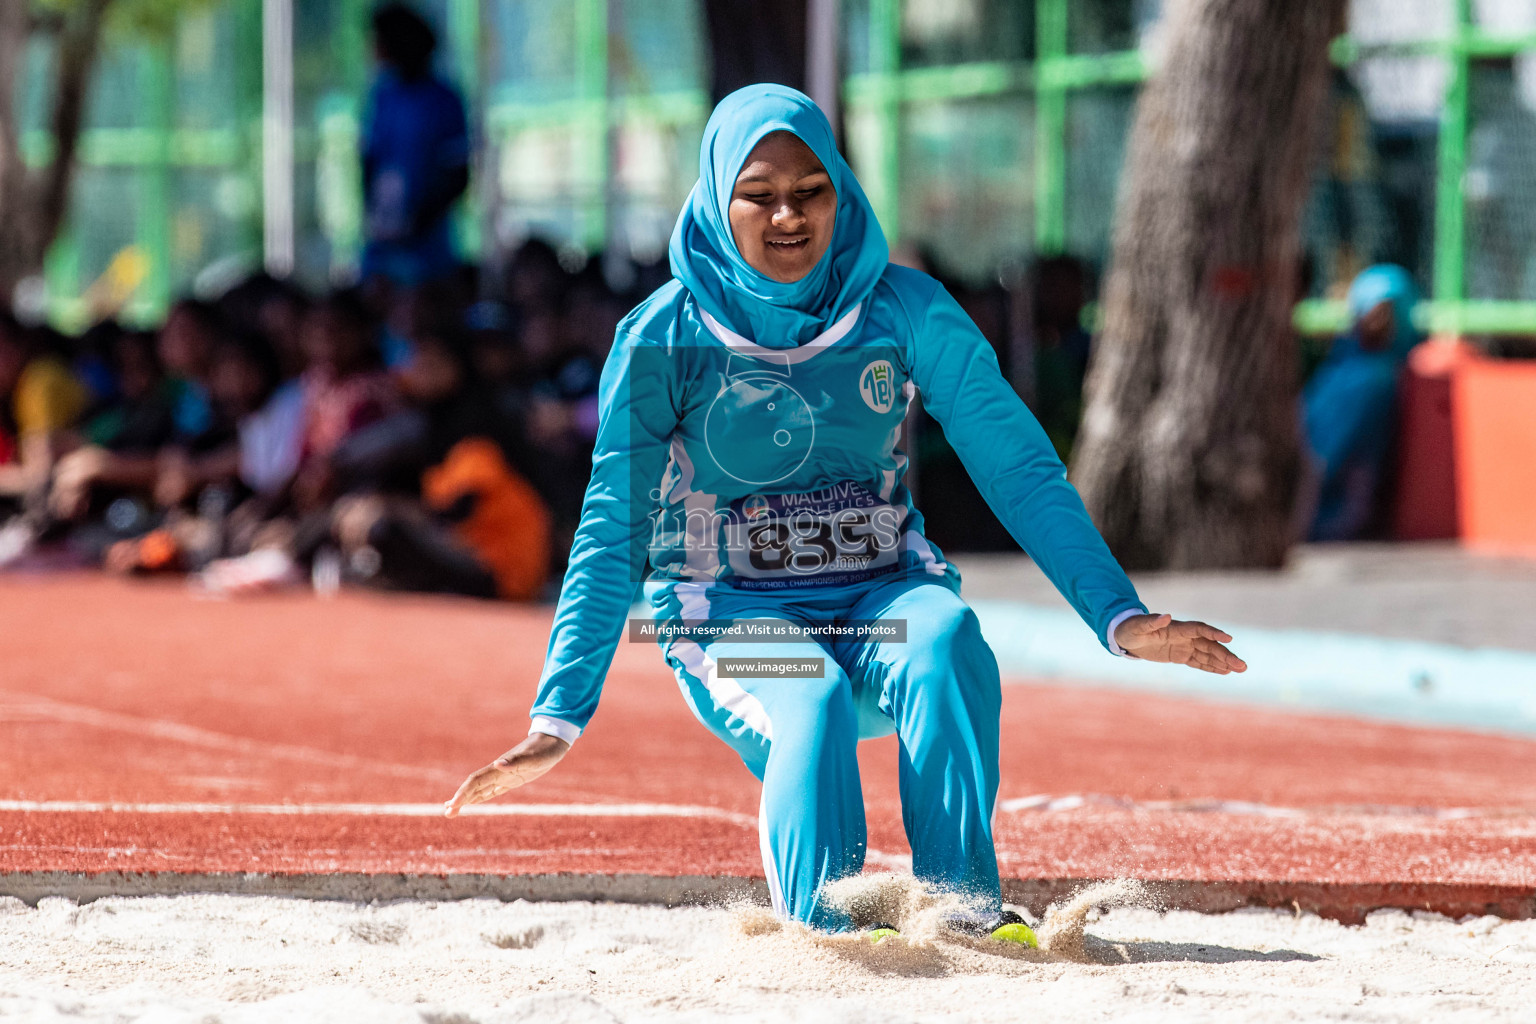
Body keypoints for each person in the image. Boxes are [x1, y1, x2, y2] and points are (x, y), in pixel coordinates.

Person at [444, 86, 1245, 939]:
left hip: (882, 599)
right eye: (759, 193)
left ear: (841, 191)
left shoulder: (906, 311)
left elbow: (1019, 468)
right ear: (719, 198)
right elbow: (612, 529)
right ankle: (829, 931)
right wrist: (559, 713)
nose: (787, 214)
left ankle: (964, 913)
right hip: (731, 612)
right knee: (813, 698)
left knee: (945, 645)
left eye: (810, 189)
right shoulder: (663, 337)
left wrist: (1116, 615)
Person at [1301, 264, 1421, 541]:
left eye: (1387, 313)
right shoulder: (1352, 371)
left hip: (1338, 512)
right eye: (1371, 311)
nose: (1377, 321)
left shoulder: (1376, 375)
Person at [360, 3, 470, 288]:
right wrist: (376, 216)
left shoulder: (443, 100)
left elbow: (458, 173)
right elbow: (369, 158)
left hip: (428, 243)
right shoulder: (383, 95)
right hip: (383, 238)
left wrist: (418, 222)